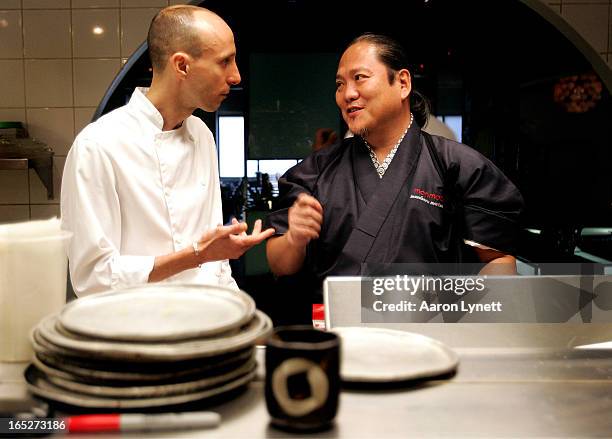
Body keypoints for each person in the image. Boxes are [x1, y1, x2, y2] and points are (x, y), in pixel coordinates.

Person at [265, 33, 523, 303]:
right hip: (341, 335)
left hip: (432, 333)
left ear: (402, 83)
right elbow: (280, 265)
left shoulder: (458, 167)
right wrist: (294, 238)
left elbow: (498, 260)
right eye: (340, 84)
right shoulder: (315, 171)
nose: (347, 94)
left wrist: (469, 319)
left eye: (360, 78)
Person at [61, 5, 274, 296]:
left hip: (204, 324)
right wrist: (197, 254)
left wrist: (241, 315)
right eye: (225, 62)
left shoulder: (202, 135)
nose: (236, 76)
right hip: (136, 332)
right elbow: (94, 278)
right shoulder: (98, 145)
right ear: (182, 66)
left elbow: (216, 266)